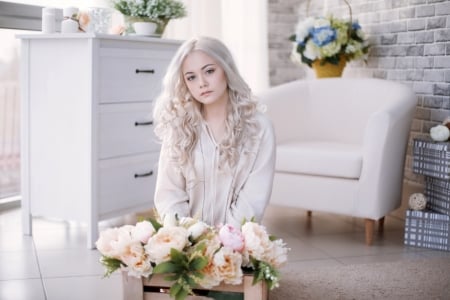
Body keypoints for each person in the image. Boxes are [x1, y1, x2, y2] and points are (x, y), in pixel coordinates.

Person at [153, 36, 276, 229]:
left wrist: (225, 242)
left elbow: (253, 199)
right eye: (191, 77)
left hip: (237, 244)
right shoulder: (179, 127)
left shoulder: (259, 128)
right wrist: (189, 238)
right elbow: (169, 194)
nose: (201, 83)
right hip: (187, 247)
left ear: (226, 70)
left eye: (209, 71)